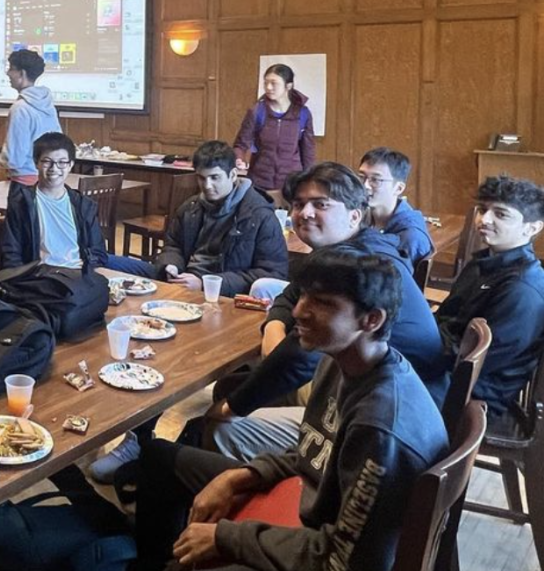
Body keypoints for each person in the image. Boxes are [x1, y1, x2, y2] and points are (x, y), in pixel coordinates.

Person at [114, 249, 448, 571]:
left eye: (322, 303)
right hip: (316, 525)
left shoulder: (381, 426)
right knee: (159, 457)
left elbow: (345, 570)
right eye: (303, 295)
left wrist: (227, 538)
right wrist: (245, 474)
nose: (300, 312)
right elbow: (313, 451)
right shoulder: (342, 361)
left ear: (370, 320)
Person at [203, 162, 446, 460]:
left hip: (387, 420)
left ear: (355, 215)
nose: (305, 213)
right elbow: (290, 295)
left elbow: (300, 358)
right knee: (234, 384)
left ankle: (245, 491)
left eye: (320, 205)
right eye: (299, 204)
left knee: (218, 423)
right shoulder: (346, 251)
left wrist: (231, 409)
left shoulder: (359, 264)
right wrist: (275, 326)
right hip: (355, 384)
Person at [434, 175, 544, 417]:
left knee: (377, 385)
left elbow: (478, 364)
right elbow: (447, 319)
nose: (484, 219)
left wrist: (418, 349)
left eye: (501, 214)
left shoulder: (523, 289)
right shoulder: (484, 262)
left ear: (532, 227)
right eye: (482, 210)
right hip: (450, 368)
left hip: (475, 397)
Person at [1, 133, 153, 278]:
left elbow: (98, 252)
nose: (54, 168)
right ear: (36, 163)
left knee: (152, 271)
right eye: (47, 162)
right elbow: (11, 255)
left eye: (62, 162)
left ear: (71, 165)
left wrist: (86, 268)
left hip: (79, 273)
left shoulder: (82, 205)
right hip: (44, 276)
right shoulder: (22, 203)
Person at [158, 140, 290, 296]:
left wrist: (204, 283)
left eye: (215, 177)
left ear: (233, 175)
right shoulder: (190, 207)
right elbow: (173, 246)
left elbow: (272, 274)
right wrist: (171, 265)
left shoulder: (260, 215)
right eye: (201, 178)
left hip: (221, 294)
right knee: (122, 266)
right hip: (182, 281)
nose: (207, 185)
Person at [232, 63, 315, 201]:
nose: (268, 88)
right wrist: (239, 158)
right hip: (259, 181)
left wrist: (309, 181)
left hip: (290, 184)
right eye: (266, 83)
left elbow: (308, 152)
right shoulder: (257, 111)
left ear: (288, 86)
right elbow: (241, 143)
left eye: (274, 83)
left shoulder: (303, 114)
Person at [357, 147, 432, 266]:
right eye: (361, 177)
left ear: (398, 188)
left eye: (375, 180)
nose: (365, 185)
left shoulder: (411, 236)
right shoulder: (359, 217)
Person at [0, 49, 60, 185]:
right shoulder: (49, 105)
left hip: (24, 182)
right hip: (49, 181)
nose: (8, 73)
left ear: (22, 73)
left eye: (11, 69)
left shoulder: (20, 108)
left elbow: (14, 159)